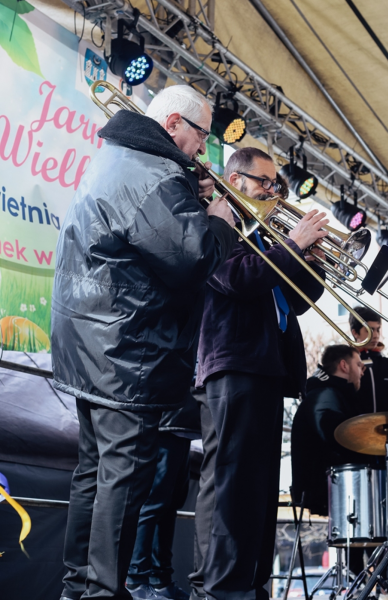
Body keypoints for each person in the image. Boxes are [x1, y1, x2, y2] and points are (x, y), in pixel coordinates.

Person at [51, 84, 236, 600]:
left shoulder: (118, 156)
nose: (204, 148)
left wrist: (189, 199)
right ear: (175, 124)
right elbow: (193, 258)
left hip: (93, 346)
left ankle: (80, 589)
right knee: (122, 481)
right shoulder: (153, 173)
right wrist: (220, 223)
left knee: (93, 475)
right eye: (202, 135)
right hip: (126, 352)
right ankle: (103, 592)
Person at [190, 146, 329, 600]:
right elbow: (236, 279)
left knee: (261, 486)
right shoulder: (218, 218)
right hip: (233, 363)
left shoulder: (263, 233)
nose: (273, 189)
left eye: (275, 182)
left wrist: (310, 258)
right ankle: (218, 587)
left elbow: (302, 297)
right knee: (229, 481)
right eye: (264, 180)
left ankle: (252, 581)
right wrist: (293, 246)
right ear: (236, 178)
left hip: (266, 367)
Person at [126, 388, 201, 600]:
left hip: (182, 424)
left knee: (169, 505)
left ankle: (160, 581)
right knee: (153, 503)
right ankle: (136, 582)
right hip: (166, 419)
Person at [291, 344, 366, 517]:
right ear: (344, 366)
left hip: (332, 486)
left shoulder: (329, 393)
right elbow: (337, 438)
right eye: (358, 364)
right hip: (328, 488)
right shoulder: (326, 395)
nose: (362, 371)